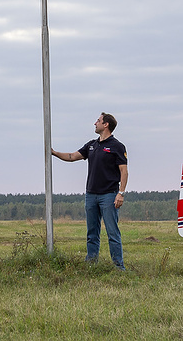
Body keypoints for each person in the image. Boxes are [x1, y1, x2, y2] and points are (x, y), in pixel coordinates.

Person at [52, 112, 128, 270]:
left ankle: (118, 268)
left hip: (109, 195)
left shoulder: (117, 146)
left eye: (98, 121)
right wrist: (53, 153)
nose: (95, 123)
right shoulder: (91, 145)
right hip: (91, 195)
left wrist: (121, 193)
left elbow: (124, 171)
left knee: (112, 233)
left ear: (106, 124)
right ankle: (91, 265)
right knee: (92, 233)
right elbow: (72, 156)